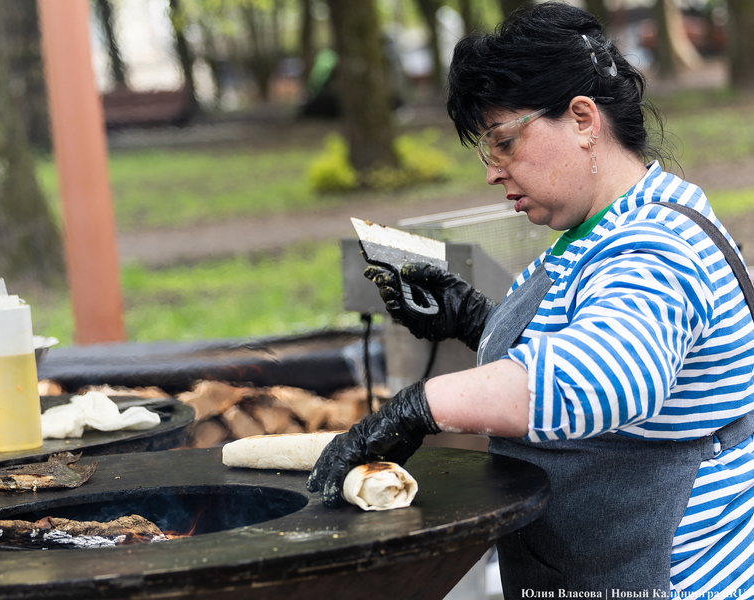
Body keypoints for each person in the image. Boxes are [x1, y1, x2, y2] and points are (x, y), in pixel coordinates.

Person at [306, 2, 754, 596]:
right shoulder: (602, 226)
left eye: (505, 142)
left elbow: (604, 377)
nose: (494, 172)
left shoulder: (656, 245)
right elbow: (588, 336)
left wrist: (418, 407)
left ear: (583, 120)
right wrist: (470, 318)